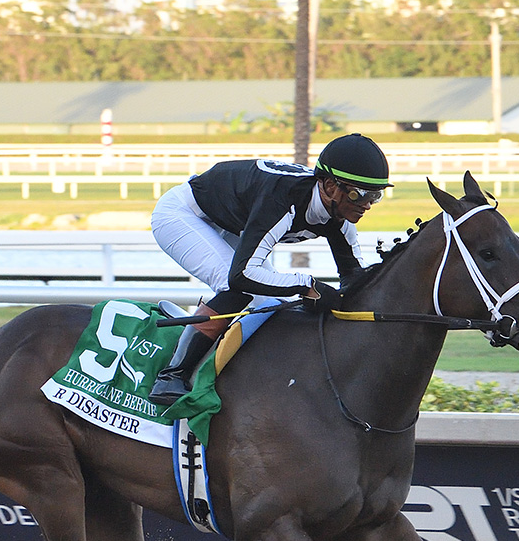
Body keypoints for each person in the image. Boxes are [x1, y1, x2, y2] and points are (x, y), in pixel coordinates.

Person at [147, 132, 392, 405]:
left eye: (376, 195)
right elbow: (242, 275)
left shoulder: (340, 217)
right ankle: (171, 376)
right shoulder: (282, 199)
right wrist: (307, 285)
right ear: (330, 186)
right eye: (359, 194)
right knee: (238, 288)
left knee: (274, 298)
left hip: (234, 221)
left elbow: (353, 280)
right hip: (184, 214)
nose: (367, 205)